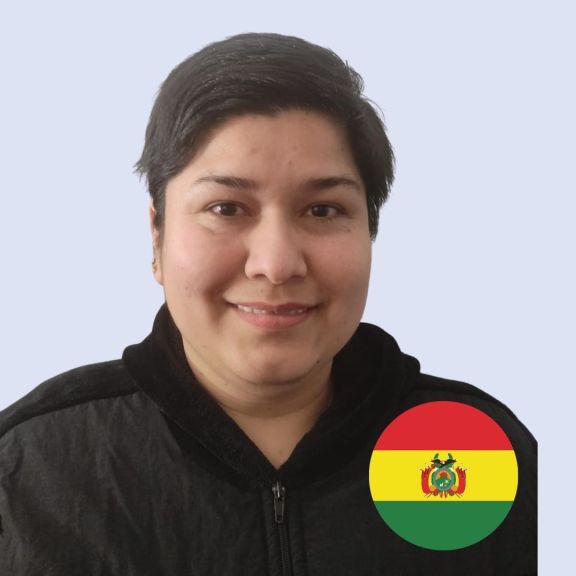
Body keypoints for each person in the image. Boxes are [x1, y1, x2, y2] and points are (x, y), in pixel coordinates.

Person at [0, 33, 536, 575]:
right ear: (157, 237)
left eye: (323, 210)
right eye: (226, 208)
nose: (276, 265)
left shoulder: (480, 452)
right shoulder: (33, 466)